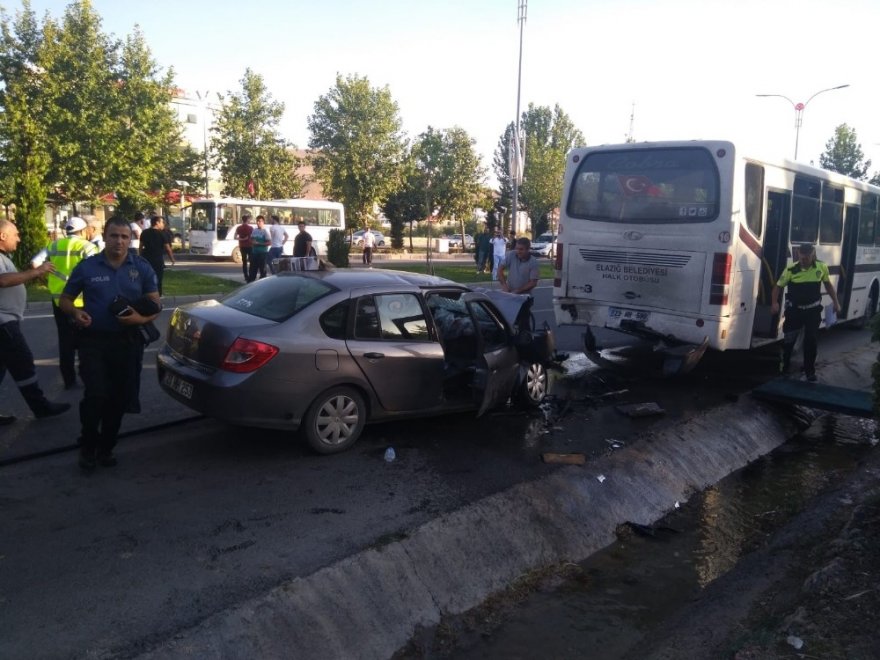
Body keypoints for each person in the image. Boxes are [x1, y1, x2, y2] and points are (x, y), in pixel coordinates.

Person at [59, 216, 160, 471]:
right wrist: (75, 312)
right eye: (114, 235)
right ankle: (88, 445)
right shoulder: (87, 267)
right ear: (104, 237)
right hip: (93, 341)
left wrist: (139, 319)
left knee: (119, 398)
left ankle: (106, 447)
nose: (119, 241)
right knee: (95, 395)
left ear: (131, 239)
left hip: (127, 343)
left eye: (124, 237)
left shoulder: (142, 267)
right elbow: (65, 300)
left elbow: (155, 305)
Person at [0, 219, 71, 424]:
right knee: (22, 362)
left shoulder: (3, 257)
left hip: (7, 320)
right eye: (15, 234)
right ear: (2, 236)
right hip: (3, 322)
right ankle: (40, 407)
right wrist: (37, 271)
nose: (19, 239)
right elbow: (3, 280)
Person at [30, 216, 99, 389]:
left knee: (65, 340)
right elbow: (96, 269)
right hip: (81, 300)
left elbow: (35, 263)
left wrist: (46, 277)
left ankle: (69, 380)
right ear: (83, 231)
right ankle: (87, 377)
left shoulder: (54, 245)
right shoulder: (87, 246)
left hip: (58, 300)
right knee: (86, 340)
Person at [771, 242, 841, 382]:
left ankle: (809, 371)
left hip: (812, 311)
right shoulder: (790, 269)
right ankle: (784, 369)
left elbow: (828, 285)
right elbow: (778, 287)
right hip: (795, 311)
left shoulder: (821, 267)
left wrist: (836, 302)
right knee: (789, 341)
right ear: (798, 254)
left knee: (811, 341)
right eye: (802, 257)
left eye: (807, 257)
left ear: (812, 255)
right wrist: (774, 303)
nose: (804, 260)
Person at [139, 215, 175, 295]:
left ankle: (145, 293)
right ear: (157, 223)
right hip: (157, 259)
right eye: (162, 222)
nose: (163, 224)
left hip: (146, 258)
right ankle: (158, 294)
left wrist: (140, 256)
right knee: (158, 277)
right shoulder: (162, 234)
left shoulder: (144, 232)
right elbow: (168, 248)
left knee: (146, 277)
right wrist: (172, 259)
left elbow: (141, 246)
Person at [248, 215, 270, 281]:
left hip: (262, 253)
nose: (258, 222)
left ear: (263, 222)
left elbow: (269, 243)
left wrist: (259, 243)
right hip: (254, 252)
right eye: (257, 221)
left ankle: (263, 283)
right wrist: (252, 242)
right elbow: (251, 239)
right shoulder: (254, 230)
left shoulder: (265, 231)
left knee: (262, 270)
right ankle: (251, 282)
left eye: (260, 221)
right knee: (252, 270)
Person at [233, 214, 254, 281]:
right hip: (250, 246)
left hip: (242, 246)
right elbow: (252, 237)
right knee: (251, 261)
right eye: (249, 219)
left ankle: (246, 276)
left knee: (244, 262)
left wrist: (241, 239)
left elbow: (235, 237)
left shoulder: (239, 228)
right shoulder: (250, 228)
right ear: (247, 220)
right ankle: (251, 275)